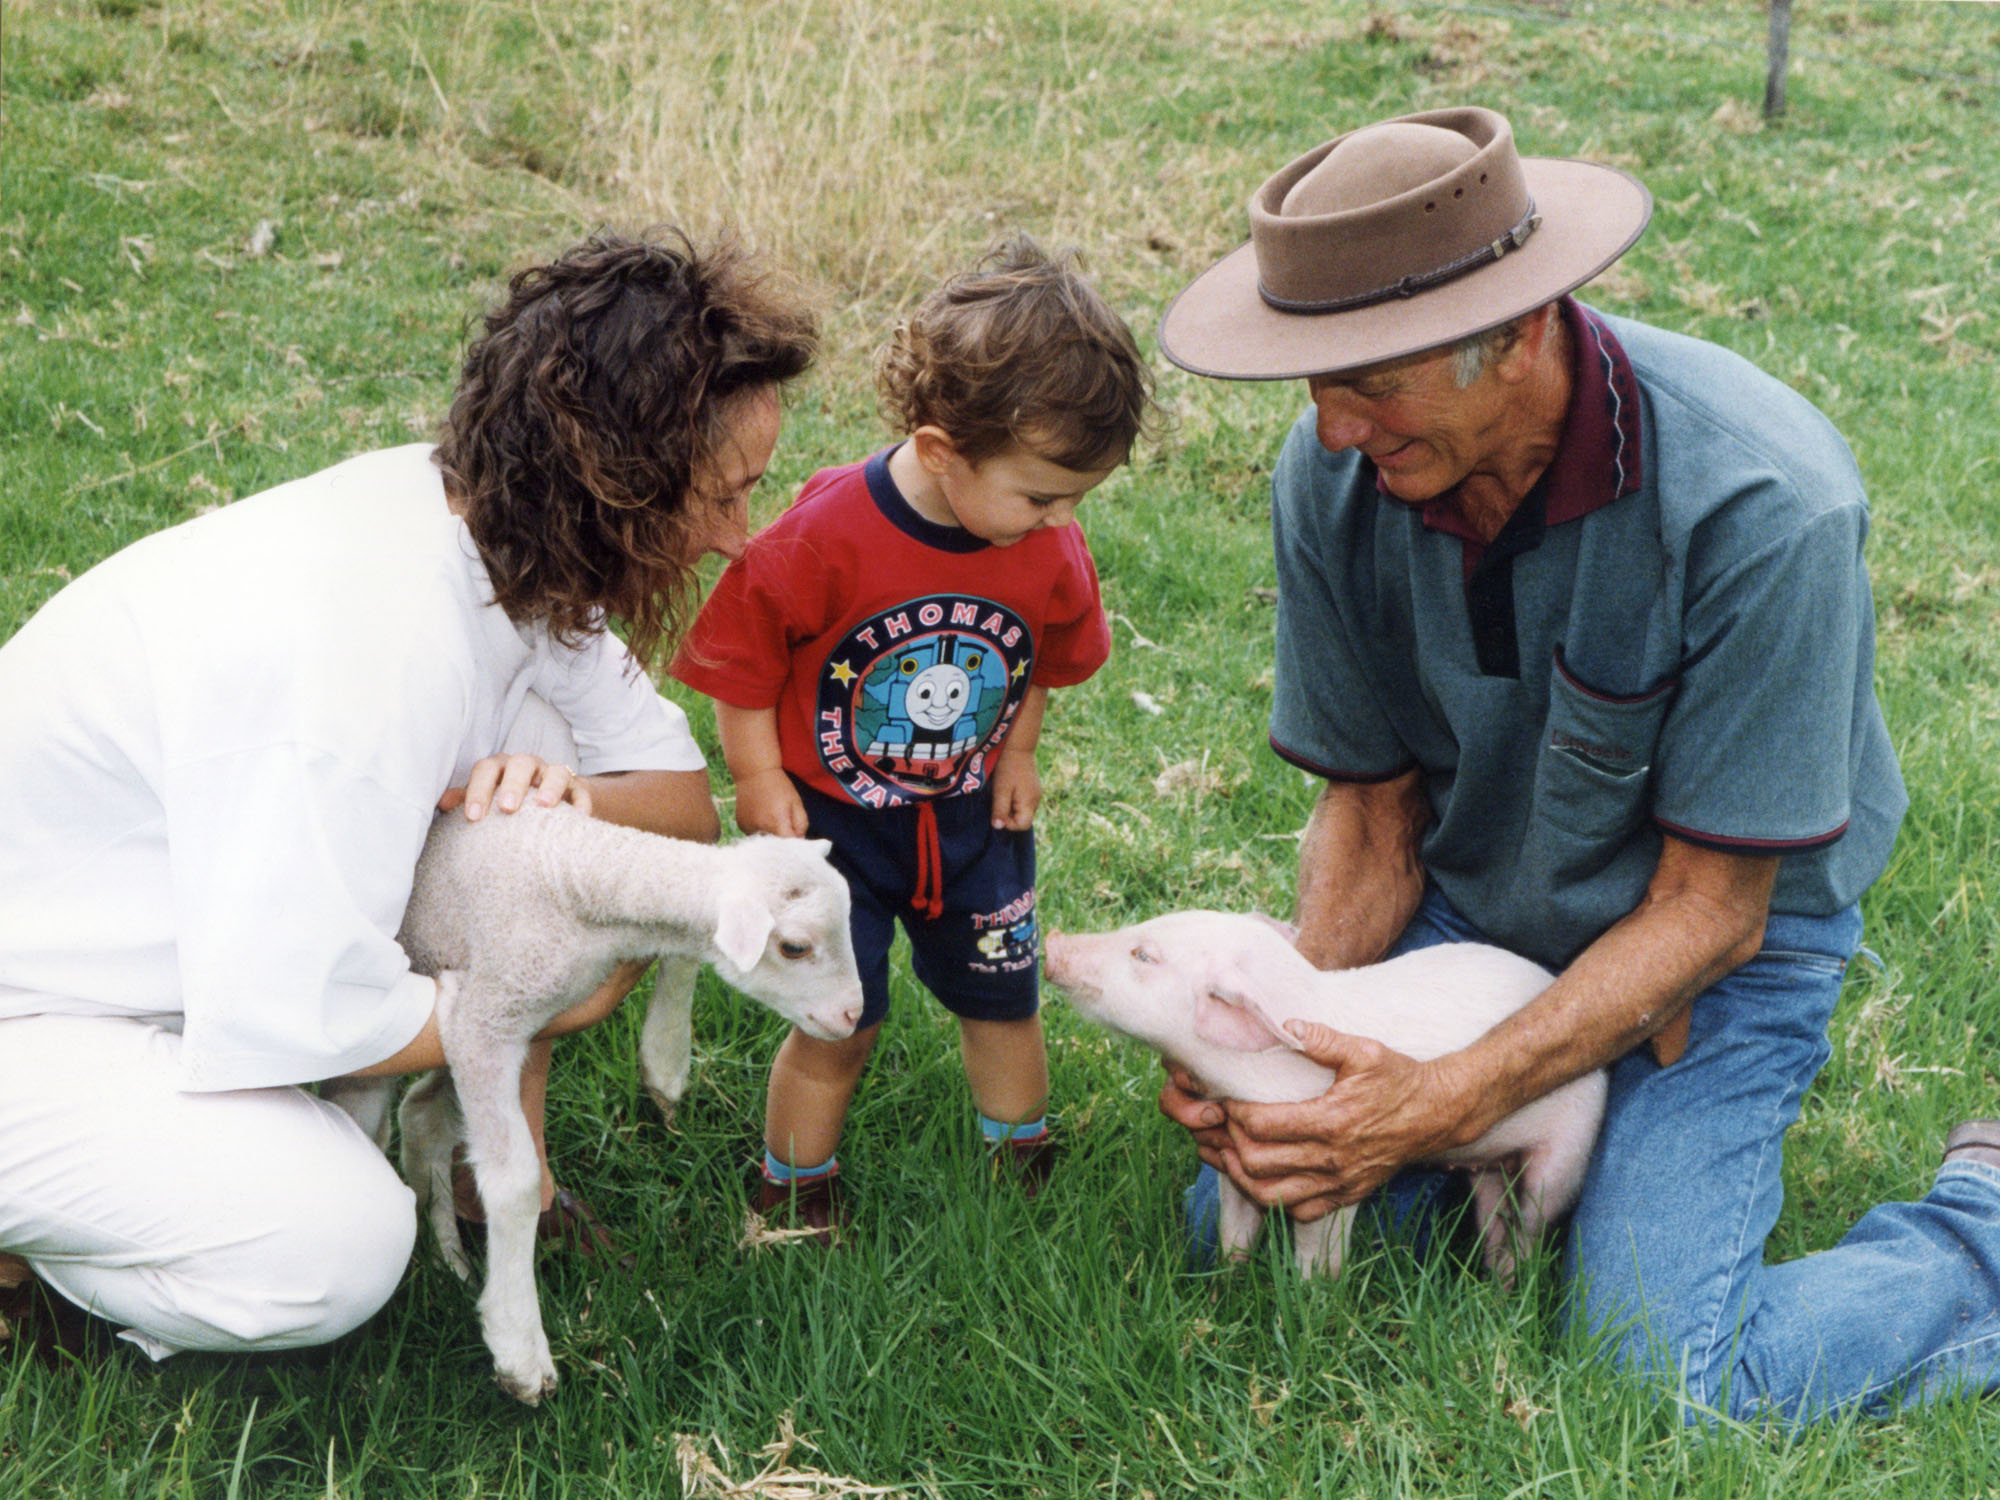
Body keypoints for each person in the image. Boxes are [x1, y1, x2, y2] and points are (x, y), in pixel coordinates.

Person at [1152, 105, 2000, 1424]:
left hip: (1717, 946)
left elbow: (1713, 913)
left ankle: (1979, 1231)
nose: (1328, 432)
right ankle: (1563, 1166)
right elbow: (1372, 819)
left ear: (1519, 333)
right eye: (1312, 383)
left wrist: (1431, 1103)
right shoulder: (1332, 478)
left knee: (1664, 1381)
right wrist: (1287, 1037)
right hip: (1474, 905)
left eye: (1371, 381)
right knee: (1243, 1217)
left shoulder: (1764, 504)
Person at [0, 230, 817, 1360]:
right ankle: (42, 1241)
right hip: (46, 1020)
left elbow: (679, 803)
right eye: (722, 498)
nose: (739, 540)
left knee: (543, 748)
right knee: (329, 1246)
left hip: (186, 962)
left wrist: (562, 810)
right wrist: (561, 986)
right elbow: (287, 1006)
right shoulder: (364, 657)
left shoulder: (502, 531)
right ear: (614, 484)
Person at [671, 237, 1152, 1233]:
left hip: (975, 824)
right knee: (841, 1019)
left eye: (1073, 498)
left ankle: (1019, 1170)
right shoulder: (823, 536)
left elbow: (1038, 660)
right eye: (1038, 493)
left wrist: (1015, 753)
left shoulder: (1043, 546)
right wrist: (756, 776)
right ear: (940, 452)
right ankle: (795, 1189)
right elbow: (744, 660)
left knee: (1002, 998)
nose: (1061, 518)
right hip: (839, 828)